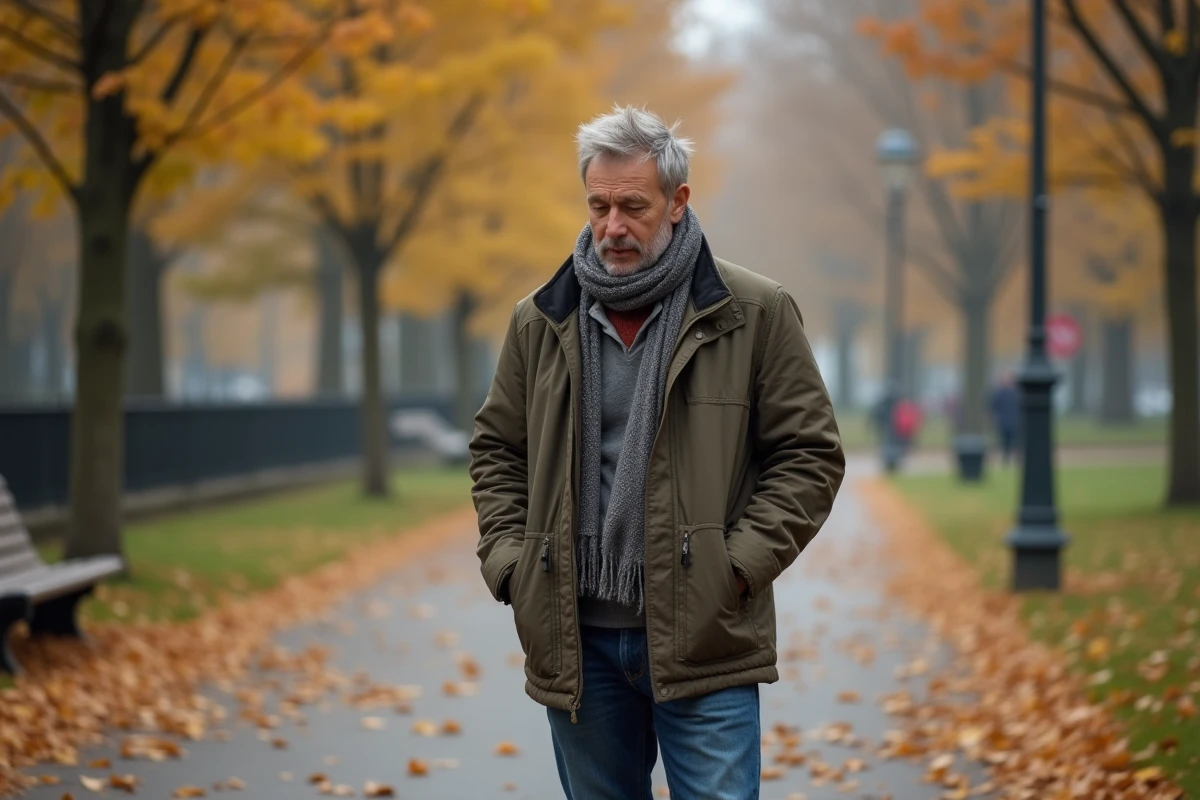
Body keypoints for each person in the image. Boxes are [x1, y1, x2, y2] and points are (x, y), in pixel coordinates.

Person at [469, 106, 846, 800]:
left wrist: (734, 568)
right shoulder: (540, 320)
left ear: (678, 202)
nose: (613, 226)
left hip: (706, 636)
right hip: (576, 641)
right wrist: (513, 564)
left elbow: (810, 455)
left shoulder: (754, 311)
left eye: (633, 206)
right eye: (599, 205)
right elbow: (497, 450)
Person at [989, 372, 1021, 463]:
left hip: (1009, 421)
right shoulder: (1015, 393)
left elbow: (992, 407)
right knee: (1007, 442)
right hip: (1007, 421)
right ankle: (1008, 458)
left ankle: (1010, 458)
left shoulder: (1000, 393)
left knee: (1010, 442)